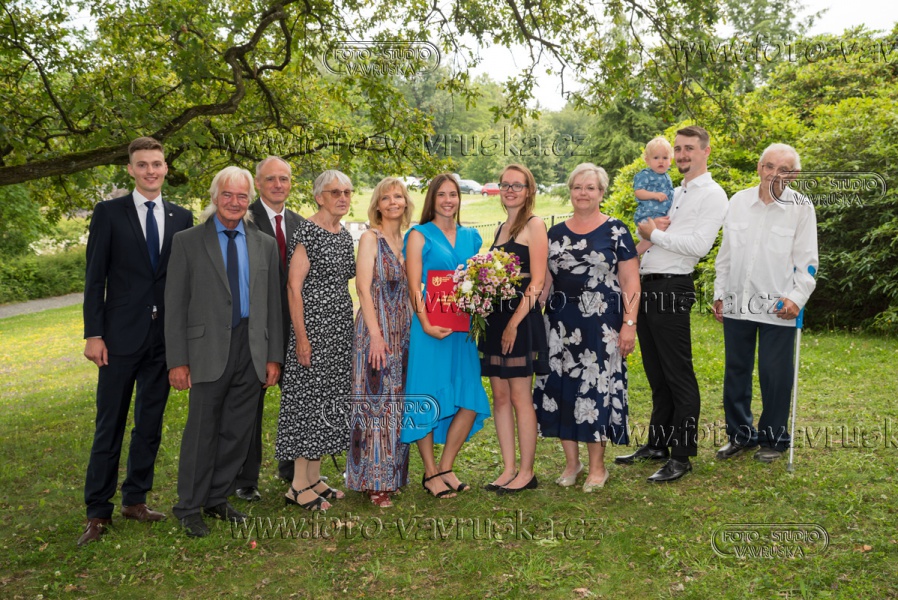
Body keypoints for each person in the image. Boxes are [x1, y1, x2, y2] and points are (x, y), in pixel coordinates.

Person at [78, 136, 193, 546]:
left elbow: (183, 283)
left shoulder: (181, 217)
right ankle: (98, 511)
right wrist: (94, 334)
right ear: (130, 169)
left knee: (149, 424)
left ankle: (135, 499)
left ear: (165, 169)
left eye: (156, 164)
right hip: (118, 339)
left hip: (162, 341)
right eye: (142, 164)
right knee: (109, 425)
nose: (150, 171)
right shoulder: (109, 213)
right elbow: (95, 279)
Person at [165, 166, 283, 537]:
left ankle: (217, 498)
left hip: (252, 348)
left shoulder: (263, 243)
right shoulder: (187, 241)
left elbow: (273, 304)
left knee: (238, 431)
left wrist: (274, 356)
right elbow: (175, 305)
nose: (234, 202)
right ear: (215, 197)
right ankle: (188, 506)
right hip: (207, 350)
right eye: (228, 195)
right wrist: (178, 361)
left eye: (242, 196)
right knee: (202, 431)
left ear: (250, 200)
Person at [615, 125, 728, 482]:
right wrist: (642, 243)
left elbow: (698, 246)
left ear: (706, 151)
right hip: (647, 285)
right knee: (657, 373)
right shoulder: (674, 191)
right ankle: (657, 445)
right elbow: (656, 235)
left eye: (689, 148)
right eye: (677, 148)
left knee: (678, 374)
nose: (681, 155)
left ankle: (681, 456)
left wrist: (654, 234)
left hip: (672, 287)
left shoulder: (713, 195)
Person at [533, 163, 640, 492]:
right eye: (578, 187)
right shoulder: (554, 234)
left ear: (601, 192)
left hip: (601, 327)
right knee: (562, 389)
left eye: (590, 187)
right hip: (560, 327)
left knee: (595, 390)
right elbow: (545, 283)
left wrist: (629, 324)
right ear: (570, 190)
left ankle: (597, 467)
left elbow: (630, 282)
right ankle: (572, 464)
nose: (583, 193)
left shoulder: (616, 231)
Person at [713, 144, 818, 463]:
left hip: (778, 306)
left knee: (775, 375)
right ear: (759, 167)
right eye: (769, 166)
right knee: (736, 371)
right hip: (737, 301)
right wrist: (719, 293)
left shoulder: (801, 207)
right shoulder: (738, 201)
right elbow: (726, 253)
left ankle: (774, 439)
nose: (774, 174)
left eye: (783, 169)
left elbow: (808, 261)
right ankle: (740, 436)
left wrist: (797, 298)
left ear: (794, 175)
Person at [402, 173, 491, 498]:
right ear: (432, 199)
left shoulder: (472, 237)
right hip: (430, 329)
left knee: (469, 399)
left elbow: (478, 281)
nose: (448, 200)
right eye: (441, 194)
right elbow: (414, 286)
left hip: (462, 330)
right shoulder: (418, 235)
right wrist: (425, 324)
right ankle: (430, 473)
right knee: (426, 397)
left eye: (453, 194)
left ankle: (446, 467)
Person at [276, 170, 356, 511]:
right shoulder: (306, 231)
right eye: (335, 192)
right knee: (308, 403)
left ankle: (313, 477)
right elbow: (293, 288)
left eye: (347, 192)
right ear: (319, 197)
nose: (343, 197)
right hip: (312, 331)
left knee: (328, 401)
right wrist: (301, 339)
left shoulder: (344, 234)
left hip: (338, 331)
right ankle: (297, 485)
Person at [234, 156, 303, 502]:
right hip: (256, 328)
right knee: (250, 404)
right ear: (257, 184)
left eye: (284, 179)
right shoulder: (242, 220)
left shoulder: (300, 223)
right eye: (271, 179)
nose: (278, 185)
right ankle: (245, 478)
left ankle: (294, 469)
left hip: (296, 327)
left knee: (298, 400)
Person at [478, 164, 549, 494]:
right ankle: (508, 469)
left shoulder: (534, 225)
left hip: (520, 320)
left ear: (528, 190)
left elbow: (537, 282)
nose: (510, 190)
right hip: (495, 318)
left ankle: (526, 472)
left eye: (517, 185)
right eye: (505, 184)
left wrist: (513, 324)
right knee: (501, 397)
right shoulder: (501, 228)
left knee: (521, 397)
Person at [346, 178, 414, 507]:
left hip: (403, 331)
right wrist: (375, 334)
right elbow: (362, 287)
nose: (392, 202)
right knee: (376, 405)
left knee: (398, 403)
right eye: (385, 198)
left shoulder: (409, 240)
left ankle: (394, 475)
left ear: (406, 202)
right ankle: (373, 481)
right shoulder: (370, 238)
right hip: (376, 330)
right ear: (377, 205)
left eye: (398, 196)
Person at [633, 136, 674, 238]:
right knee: (651, 239)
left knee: (659, 240)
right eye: (656, 158)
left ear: (670, 160)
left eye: (665, 158)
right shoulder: (645, 175)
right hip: (647, 217)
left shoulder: (667, 176)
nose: (661, 161)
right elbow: (638, 192)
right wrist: (654, 195)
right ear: (647, 160)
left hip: (662, 216)